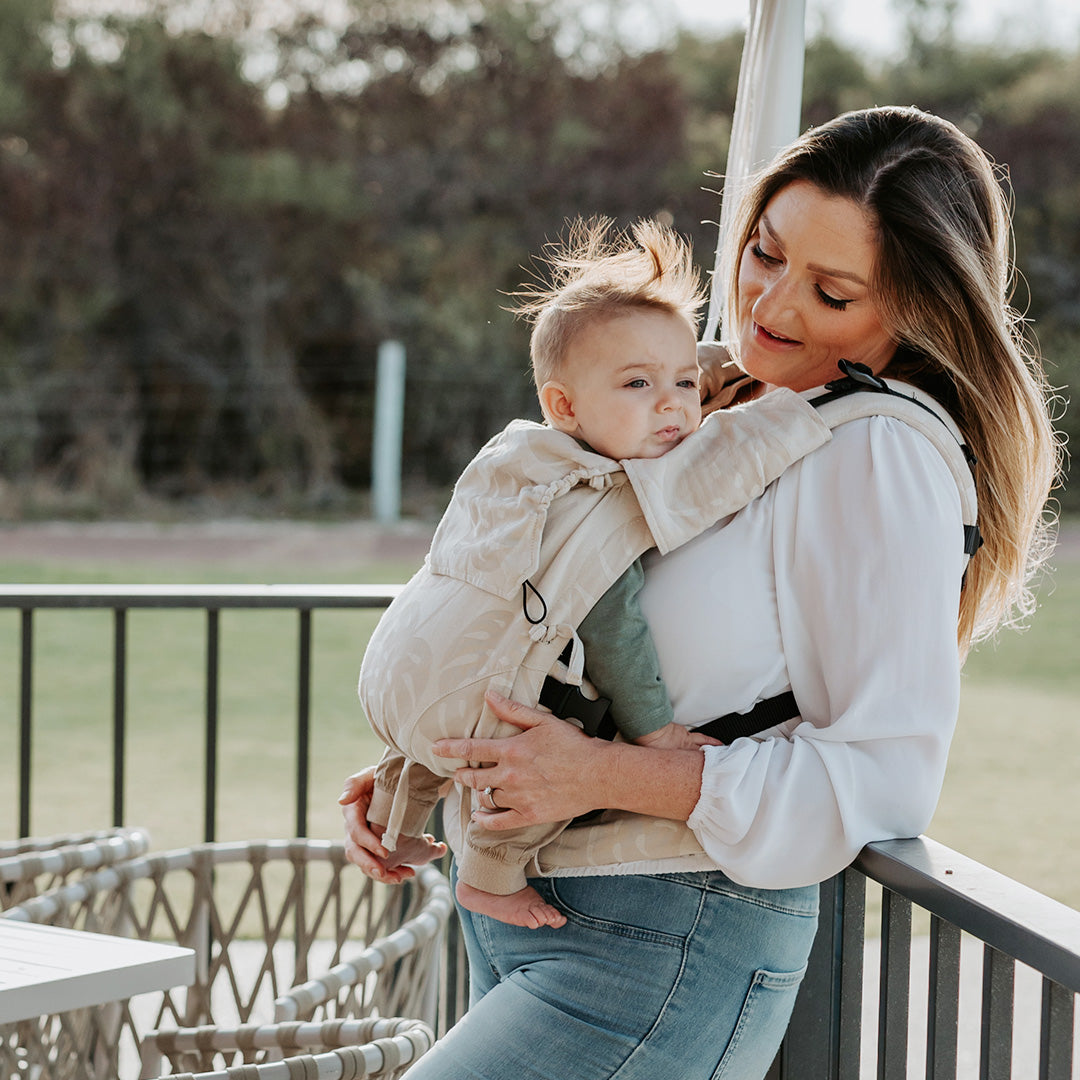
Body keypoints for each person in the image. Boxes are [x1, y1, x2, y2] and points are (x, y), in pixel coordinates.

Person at [341, 106, 1060, 1078]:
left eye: (833, 291)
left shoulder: (876, 454)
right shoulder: (714, 397)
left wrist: (596, 775)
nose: (774, 302)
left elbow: (883, 776)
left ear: (910, 310)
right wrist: (437, 752)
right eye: (765, 253)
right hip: (537, 909)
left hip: (664, 943)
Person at [358, 217, 833, 931]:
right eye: (639, 383)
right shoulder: (596, 504)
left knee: (445, 735)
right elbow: (616, 634)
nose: (674, 404)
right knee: (536, 736)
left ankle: (396, 828)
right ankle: (489, 878)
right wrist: (654, 735)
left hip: (404, 676)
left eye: (683, 382)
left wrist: (700, 374)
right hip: (481, 707)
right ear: (565, 405)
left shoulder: (517, 461)